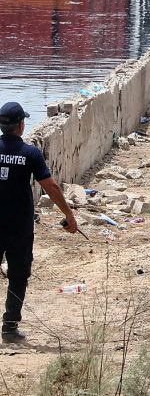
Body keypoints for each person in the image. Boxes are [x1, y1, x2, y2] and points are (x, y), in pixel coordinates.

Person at [0, 102, 78, 343]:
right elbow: (51, 187)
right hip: (19, 227)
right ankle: (10, 327)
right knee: (18, 275)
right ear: (21, 125)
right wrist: (69, 214)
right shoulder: (30, 154)